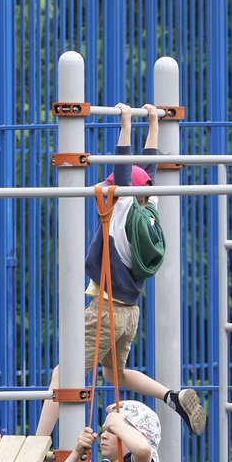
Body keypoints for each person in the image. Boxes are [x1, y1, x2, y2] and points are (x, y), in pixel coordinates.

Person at [35, 103, 206, 440]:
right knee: (116, 374)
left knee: (62, 373)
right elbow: (149, 167)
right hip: (129, 313)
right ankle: (172, 395)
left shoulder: (122, 210)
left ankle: (38, 443)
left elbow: (127, 168)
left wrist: (126, 122)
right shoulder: (149, 209)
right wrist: (154, 124)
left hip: (105, 311)